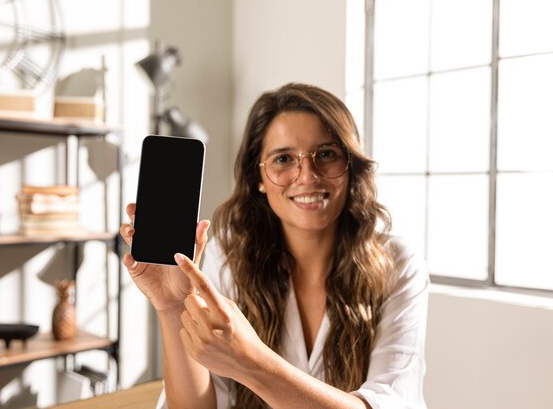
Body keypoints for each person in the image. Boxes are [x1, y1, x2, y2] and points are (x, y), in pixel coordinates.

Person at [120, 83, 429, 409]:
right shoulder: (226, 262)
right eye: (284, 159)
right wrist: (172, 308)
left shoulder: (399, 265)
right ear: (259, 177)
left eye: (326, 154)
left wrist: (250, 360)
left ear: (350, 165)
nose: (307, 175)